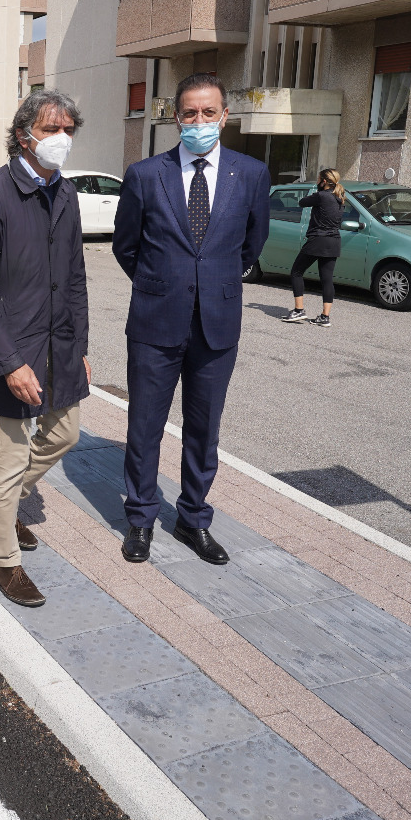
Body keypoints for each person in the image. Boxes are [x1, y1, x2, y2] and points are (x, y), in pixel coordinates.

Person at [112, 73, 270, 565]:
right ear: (175, 117)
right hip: (155, 323)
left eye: (208, 113)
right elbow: (126, 246)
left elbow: (252, 244)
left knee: (204, 431)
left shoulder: (250, 174)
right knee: (144, 427)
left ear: (224, 116)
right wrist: (163, 284)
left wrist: (215, 285)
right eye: (189, 113)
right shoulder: (144, 175)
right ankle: (140, 519)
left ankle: (192, 519)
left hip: (217, 326)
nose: (199, 122)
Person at [0, 89, 91, 607]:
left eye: (67, 130)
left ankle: (0, 502)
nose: (61, 139)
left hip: (60, 344)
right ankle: (4, 560)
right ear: (24, 135)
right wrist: (10, 362)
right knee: (9, 453)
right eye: (51, 129)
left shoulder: (67, 194)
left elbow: (75, 278)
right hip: (10, 348)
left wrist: (79, 344)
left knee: (65, 434)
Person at [284, 168, 345, 327]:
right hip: (334, 241)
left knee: (296, 271)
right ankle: (325, 317)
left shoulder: (321, 196)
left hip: (318, 239)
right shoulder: (340, 197)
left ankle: (299, 310)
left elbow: (302, 202)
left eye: (318, 179)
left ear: (324, 181)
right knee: (327, 279)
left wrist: (314, 191)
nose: (317, 181)